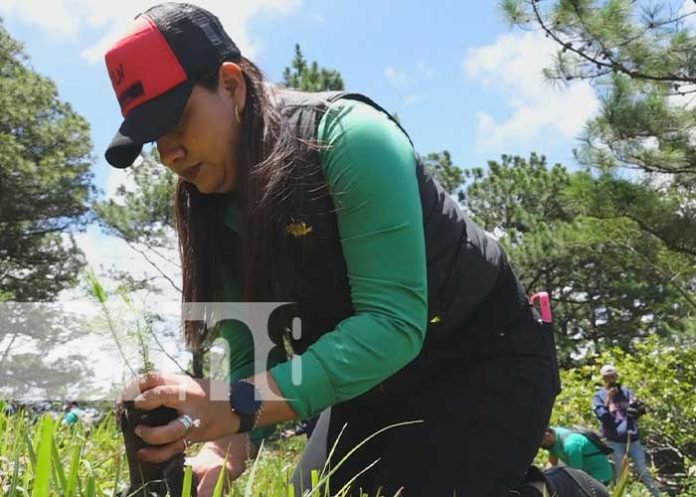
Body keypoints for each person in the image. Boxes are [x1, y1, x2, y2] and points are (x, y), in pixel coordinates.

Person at [104, 3, 560, 496]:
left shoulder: (349, 138)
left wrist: (234, 403)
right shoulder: (213, 207)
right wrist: (217, 450)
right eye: (154, 139)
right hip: (371, 385)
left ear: (231, 86)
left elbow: (392, 323)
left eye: (178, 122)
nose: (170, 154)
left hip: (482, 356)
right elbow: (250, 347)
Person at [592, 364, 661, 497]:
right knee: (621, 474)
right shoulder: (599, 396)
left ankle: (657, 495)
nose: (611, 380)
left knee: (643, 470)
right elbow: (603, 417)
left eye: (612, 377)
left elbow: (639, 409)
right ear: (603, 379)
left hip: (632, 438)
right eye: (607, 378)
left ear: (616, 377)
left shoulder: (627, 392)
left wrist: (638, 410)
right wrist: (609, 398)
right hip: (615, 441)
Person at [541, 426, 612, 484]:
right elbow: (552, 462)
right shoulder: (553, 439)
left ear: (547, 435)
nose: (542, 446)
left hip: (599, 477)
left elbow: (576, 475)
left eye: (543, 444)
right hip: (583, 475)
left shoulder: (571, 445)